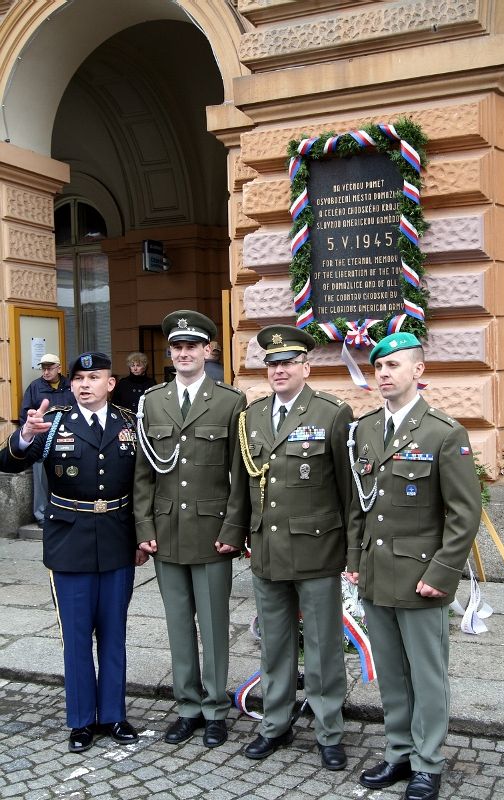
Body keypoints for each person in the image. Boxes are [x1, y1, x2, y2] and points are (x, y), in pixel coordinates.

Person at [345, 333, 482, 800]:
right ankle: (399, 751)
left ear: (418, 372)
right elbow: (358, 507)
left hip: (422, 576)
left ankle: (428, 762)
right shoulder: (364, 430)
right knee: (391, 671)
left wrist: (442, 574)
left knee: (427, 673)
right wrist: (354, 561)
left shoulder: (444, 432)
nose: (384, 373)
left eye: (394, 365)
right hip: (377, 573)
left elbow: (464, 515)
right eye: (379, 365)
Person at [221, 324, 354, 771]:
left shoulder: (333, 414)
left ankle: (329, 729)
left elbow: (348, 490)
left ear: (305, 367)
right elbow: (241, 484)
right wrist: (237, 533)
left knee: (322, 645)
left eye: (287, 363)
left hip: (317, 549)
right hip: (266, 548)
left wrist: (353, 553)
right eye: (272, 364)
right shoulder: (252, 416)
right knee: (274, 644)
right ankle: (275, 724)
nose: (278, 370)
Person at [0, 352, 147, 754]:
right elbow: (7, 462)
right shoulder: (54, 422)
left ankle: (113, 715)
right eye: (79, 378)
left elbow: (142, 486)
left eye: (94, 377)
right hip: (69, 543)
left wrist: (142, 537)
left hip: (117, 539)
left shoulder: (129, 423)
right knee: (77, 638)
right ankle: (81, 720)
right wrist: (25, 435)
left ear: (110, 383)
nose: (84, 384)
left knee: (114, 635)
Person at [134, 310, 247, 749]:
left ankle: (216, 708)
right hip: (165, 531)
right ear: (171, 353)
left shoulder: (229, 401)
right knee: (178, 624)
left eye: (192, 347)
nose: (184, 354)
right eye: (177, 347)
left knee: (215, 625)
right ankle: (187, 707)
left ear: (207, 351)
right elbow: (143, 473)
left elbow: (241, 473)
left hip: (211, 530)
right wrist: (143, 526)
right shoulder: (152, 401)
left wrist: (234, 530)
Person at [19, 353, 74, 527]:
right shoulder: (35, 387)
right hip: (41, 439)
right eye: (43, 368)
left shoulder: (70, 386)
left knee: (68, 475)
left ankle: (67, 510)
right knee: (40, 479)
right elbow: (25, 414)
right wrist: (32, 434)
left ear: (58, 368)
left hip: (67, 438)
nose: (46, 372)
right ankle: (42, 515)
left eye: (49, 368)